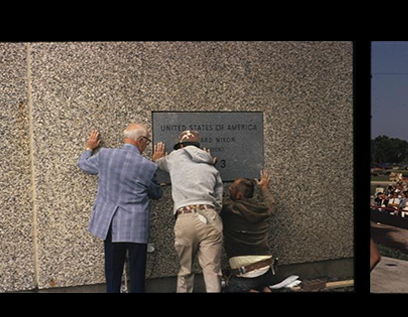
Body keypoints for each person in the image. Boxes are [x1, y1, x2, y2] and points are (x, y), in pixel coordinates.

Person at [77, 125, 163, 293]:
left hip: (111, 224)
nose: (147, 145)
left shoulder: (105, 155)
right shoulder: (147, 166)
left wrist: (89, 148)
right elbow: (156, 193)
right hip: (136, 227)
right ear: (140, 140)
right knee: (137, 273)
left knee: (112, 270)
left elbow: (84, 165)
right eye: (147, 141)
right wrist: (156, 162)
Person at [156, 130, 225, 293]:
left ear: (181, 145)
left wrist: (157, 158)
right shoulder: (210, 166)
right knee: (212, 271)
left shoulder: (175, 157)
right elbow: (218, 198)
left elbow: (158, 163)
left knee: (185, 269)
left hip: (186, 216)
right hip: (210, 216)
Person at [221, 170, 293, 292]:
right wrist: (264, 188)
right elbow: (270, 204)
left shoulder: (229, 209)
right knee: (258, 282)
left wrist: (208, 169)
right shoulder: (262, 208)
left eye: (232, 188)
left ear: (238, 195)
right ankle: (263, 289)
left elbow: (212, 199)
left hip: (245, 275)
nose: (229, 190)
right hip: (267, 271)